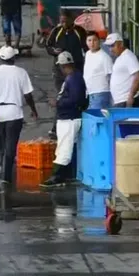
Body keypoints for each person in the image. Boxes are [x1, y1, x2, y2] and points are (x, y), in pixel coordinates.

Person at [0, 45, 39, 184]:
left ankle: (4, 170)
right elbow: (28, 95)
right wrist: (33, 110)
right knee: (11, 146)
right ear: (14, 57)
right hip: (14, 113)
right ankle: (6, 177)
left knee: (2, 144)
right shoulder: (21, 72)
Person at [42, 52, 87, 187]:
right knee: (65, 147)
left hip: (70, 118)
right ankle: (66, 174)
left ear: (62, 66)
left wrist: (58, 103)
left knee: (64, 149)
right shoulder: (73, 78)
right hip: (67, 118)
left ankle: (57, 176)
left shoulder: (74, 79)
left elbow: (75, 99)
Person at [45, 10, 87, 138]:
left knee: (75, 96)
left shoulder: (79, 31)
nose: (63, 23)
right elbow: (48, 46)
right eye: (61, 20)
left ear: (71, 19)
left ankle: (76, 123)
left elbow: (85, 48)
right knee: (61, 97)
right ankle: (55, 127)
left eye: (65, 20)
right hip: (59, 71)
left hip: (76, 70)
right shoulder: (56, 32)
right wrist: (54, 51)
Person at [104, 33, 139, 107]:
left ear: (121, 44)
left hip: (126, 101)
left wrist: (131, 96)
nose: (111, 49)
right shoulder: (120, 57)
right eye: (109, 46)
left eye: (113, 46)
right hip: (121, 100)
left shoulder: (128, 56)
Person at [83, 31, 113, 109]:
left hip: (101, 93)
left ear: (99, 41)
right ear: (86, 42)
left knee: (98, 118)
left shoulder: (104, 57)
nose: (92, 43)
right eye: (89, 40)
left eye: (94, 40)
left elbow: (111, 77)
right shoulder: (87, 54)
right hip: (89, 93)